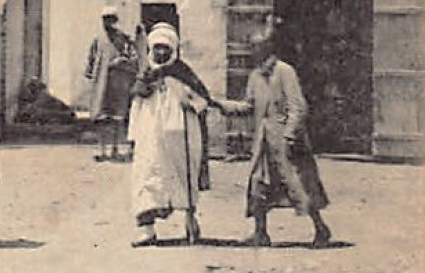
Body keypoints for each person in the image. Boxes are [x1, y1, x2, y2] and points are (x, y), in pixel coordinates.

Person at [218, 28, 332, 248]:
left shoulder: (284, 71)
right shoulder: (255, 75)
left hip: (286, 142)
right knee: (258, 184)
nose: (253, 50)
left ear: (268, 47)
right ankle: (260, 233)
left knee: (299, 185)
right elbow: (248, 106)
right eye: (251, 46)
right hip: (263, 142)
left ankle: (321, 229)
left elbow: (297, 106)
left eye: (256, 46)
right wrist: (221, 105)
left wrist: (290, 134)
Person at [128, 23, 218, 246]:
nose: (160, 53)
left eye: (165, 48)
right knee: (146, 178)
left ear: (173, 49)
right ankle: (147, 231)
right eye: (156, 47)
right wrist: (133, 135)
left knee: (181, 178)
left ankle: (190, 222)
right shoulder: (145, 74)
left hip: (180, 136)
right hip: (150, 136)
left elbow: (202, 100)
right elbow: (135, 106)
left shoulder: (183, 73)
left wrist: (191, 103)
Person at [84, 7, 140, 160]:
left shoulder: (124, 39)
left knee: (117, 118)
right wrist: (92, 75)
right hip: (101, 83)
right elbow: (91, 61)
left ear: (115, 20)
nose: (107, 22)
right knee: (101, 118)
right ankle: (101, 150)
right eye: (104, 19)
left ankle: (115, 149)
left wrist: (121, 61)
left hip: (118, 83)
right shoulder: (98, 39)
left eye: (110, 18)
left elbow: (134, 59)